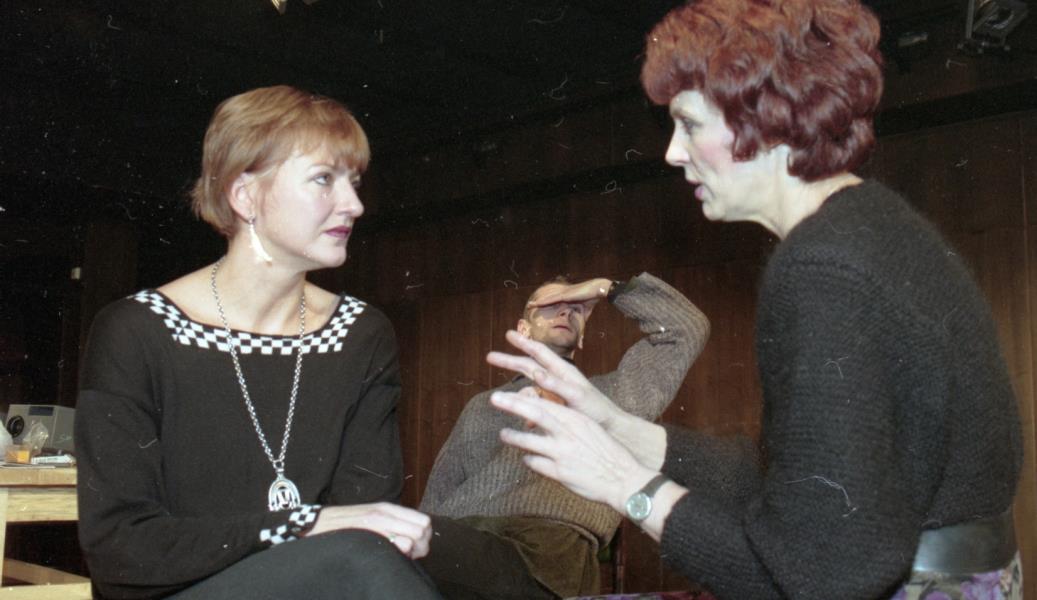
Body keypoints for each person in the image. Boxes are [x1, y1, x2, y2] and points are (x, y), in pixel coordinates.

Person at [484, 1, 1024, 599]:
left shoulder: (823, 268)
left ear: (769, 118)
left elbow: (820, 574)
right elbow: (797, 485)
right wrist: (612, 423)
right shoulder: (871, 224)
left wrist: (626, 486)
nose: (672, 152)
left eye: (689, 124)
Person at [75, 85, 442, 600]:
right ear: (245, 196)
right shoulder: (135, 330)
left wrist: (320, 531)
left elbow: (364, 522)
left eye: (354, 183)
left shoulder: (362, 333)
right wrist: (298, 525)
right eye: (324, 179)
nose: (354, 205)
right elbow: (121, 549)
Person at [418, 274, 710, 599]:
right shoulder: (482, 404)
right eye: (550, 304)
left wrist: (604, 288)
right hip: (460, 541)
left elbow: (687, 330)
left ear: (582, 337)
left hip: (542, 554)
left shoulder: (614, 396)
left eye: (575, 307)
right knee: (387, 545)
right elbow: (438, 493)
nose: (564, 311)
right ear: (523, 329)